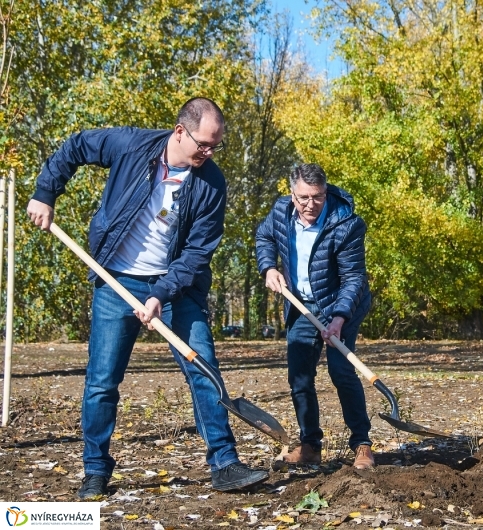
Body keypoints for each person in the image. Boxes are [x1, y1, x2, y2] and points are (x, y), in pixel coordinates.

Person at [27, 98, 270, 499]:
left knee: (203, 367)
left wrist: (160, 294)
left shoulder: (211, 182)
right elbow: (75, 147)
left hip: (176, 287)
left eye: (215, 147)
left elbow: (196, 253)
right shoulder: (130, 146)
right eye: (204, 145)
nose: (208, 154)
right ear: (180, 131)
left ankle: (225, 463)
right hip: (116, 278)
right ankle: (95, 470)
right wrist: (45, 193)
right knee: (102, 382)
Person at [255, 163, 374, 469]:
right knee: (300, 377)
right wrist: (268, 267)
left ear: (326, 191)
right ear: (291, 193)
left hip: (340, 306)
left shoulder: (346, 223)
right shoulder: (281, 211)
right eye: (303, 198)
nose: (310, 205)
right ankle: (310, 445)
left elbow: (353, 279)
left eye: (317, 197)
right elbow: (264, 238)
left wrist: (339, 318)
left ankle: (362, 444)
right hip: (301, 306)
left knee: (342, 371)